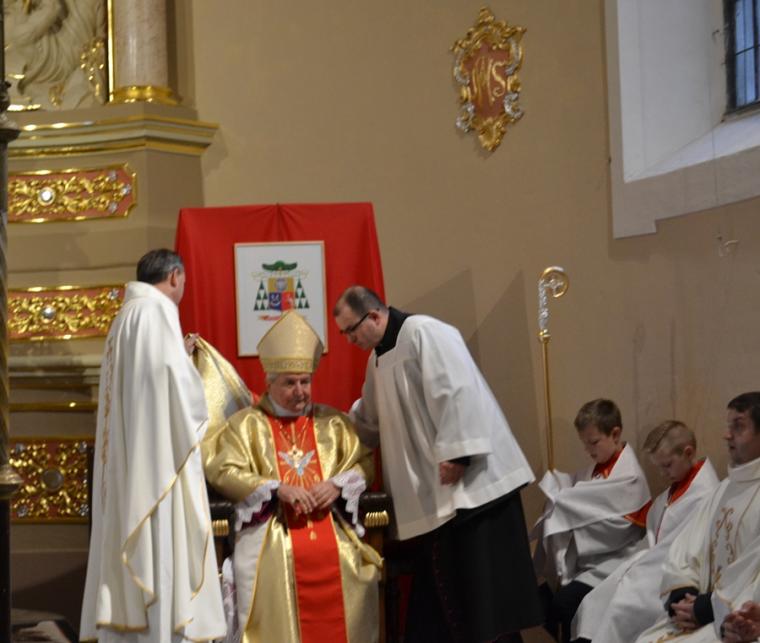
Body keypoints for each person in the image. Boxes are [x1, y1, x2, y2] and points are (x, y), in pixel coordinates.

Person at [333, 286, 543, 643]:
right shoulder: (377, 360)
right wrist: (328, 430)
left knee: (487, 608)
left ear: (374, 316)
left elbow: (458, 389)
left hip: (476, 492)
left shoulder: (425, 333)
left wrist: (458, 452)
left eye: (351, 331)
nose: (350, 340)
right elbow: (368, 419)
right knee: (456, 608)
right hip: (444, 499)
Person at [204, 310, 381, 643]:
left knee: (353, 566)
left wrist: (337, 485)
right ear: (269, 383)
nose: (300, 391)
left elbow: (365, 463)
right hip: (272, 532)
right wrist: (275, 488)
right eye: (289, 383)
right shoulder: (246, 426)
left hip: (333, 531)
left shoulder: (334, 424)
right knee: (277, 566)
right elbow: (222, 470)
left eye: (305, 381)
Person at [79, 249, 226, 642]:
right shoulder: (158, 312)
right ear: (175, 276)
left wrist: (179, 353)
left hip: (132, 461)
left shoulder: (125, 317)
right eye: (184, 282)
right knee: (162, 547)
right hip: (158, 465)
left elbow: (149, 380)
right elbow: (177, 392)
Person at [571, 420, 719, 643]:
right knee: (594, 601)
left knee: (620, 608)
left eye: (667, 465)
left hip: (672, 576)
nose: (662, 474)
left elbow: (683, 550)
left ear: (688, 453)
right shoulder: (678, 485)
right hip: (650, 564)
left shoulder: (706, 495)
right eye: (659, 467)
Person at [635, 392, 760, 643]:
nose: (727, 435)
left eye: (738, 426)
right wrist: (682, 596)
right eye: (728, 426)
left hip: (736, 620)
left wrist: (706, 609)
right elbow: (685, 548)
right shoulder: (724, 489)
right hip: (703, 612)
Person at [531, 398, 651, 643]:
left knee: (563, 604)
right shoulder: (599, 467)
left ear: (615, 434)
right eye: (584, 443)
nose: (588, 450)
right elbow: (579, 493)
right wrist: (563, 499)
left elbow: (620, 529)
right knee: (537, 594)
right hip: (588, 562)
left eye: (593, 442)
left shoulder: (630, 477)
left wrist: (569, 511)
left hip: (615, 561)